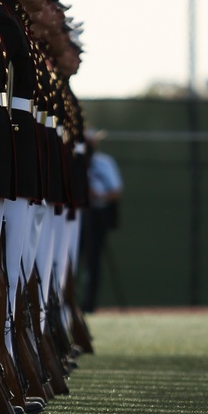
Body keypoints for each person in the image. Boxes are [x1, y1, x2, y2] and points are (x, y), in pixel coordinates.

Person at [82, 131, 123, 312]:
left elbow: (116, 192)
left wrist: (98, 195)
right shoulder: (72, 161)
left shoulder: (104, 162)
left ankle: (89, 302)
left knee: (93, 260)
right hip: (76, 216)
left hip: (97, 216)